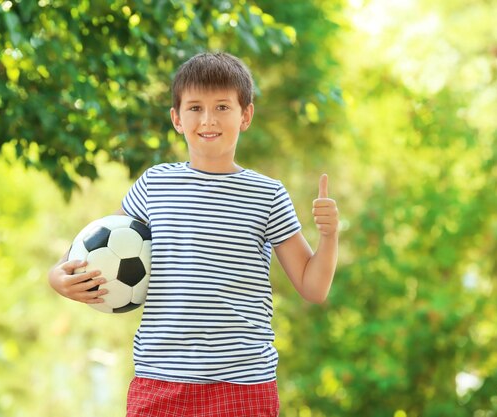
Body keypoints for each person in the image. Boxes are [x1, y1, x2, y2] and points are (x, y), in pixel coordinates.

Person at [48, 52, 339, 417]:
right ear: (177, 118)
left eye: (222, 107)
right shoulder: (155, 184)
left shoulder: (267, 195)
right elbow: (97, 240)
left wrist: (329, 237)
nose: (208, 119)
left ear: (245, 115)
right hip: (160, 381)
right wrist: (57, 275)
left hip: (244, 385)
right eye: (195, 108)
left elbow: (313, 288)